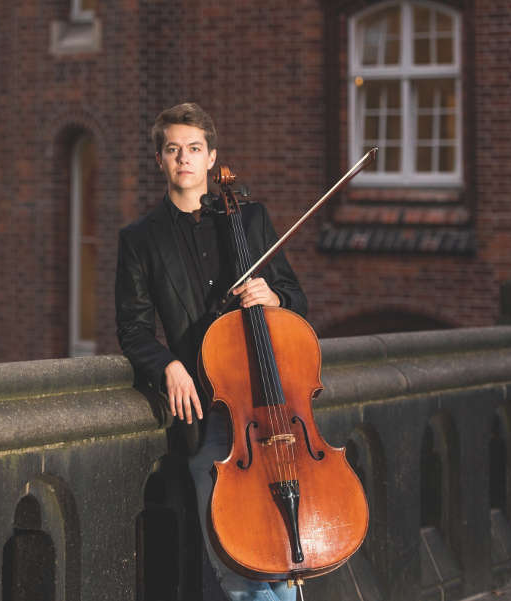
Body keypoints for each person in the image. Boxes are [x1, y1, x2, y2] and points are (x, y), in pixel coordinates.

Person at [115, 102, 307, 601]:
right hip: (210, 415)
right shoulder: (139, 240)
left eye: (194, 149)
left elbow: (297, 302)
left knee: (286, 559)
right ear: (159, 158)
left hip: (273, 409)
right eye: (174, 149)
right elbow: (134, 331)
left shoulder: (252, 219)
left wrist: (275, 296)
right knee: (235, 565)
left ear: (211, 156)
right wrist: (168, 366)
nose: (184, 158)